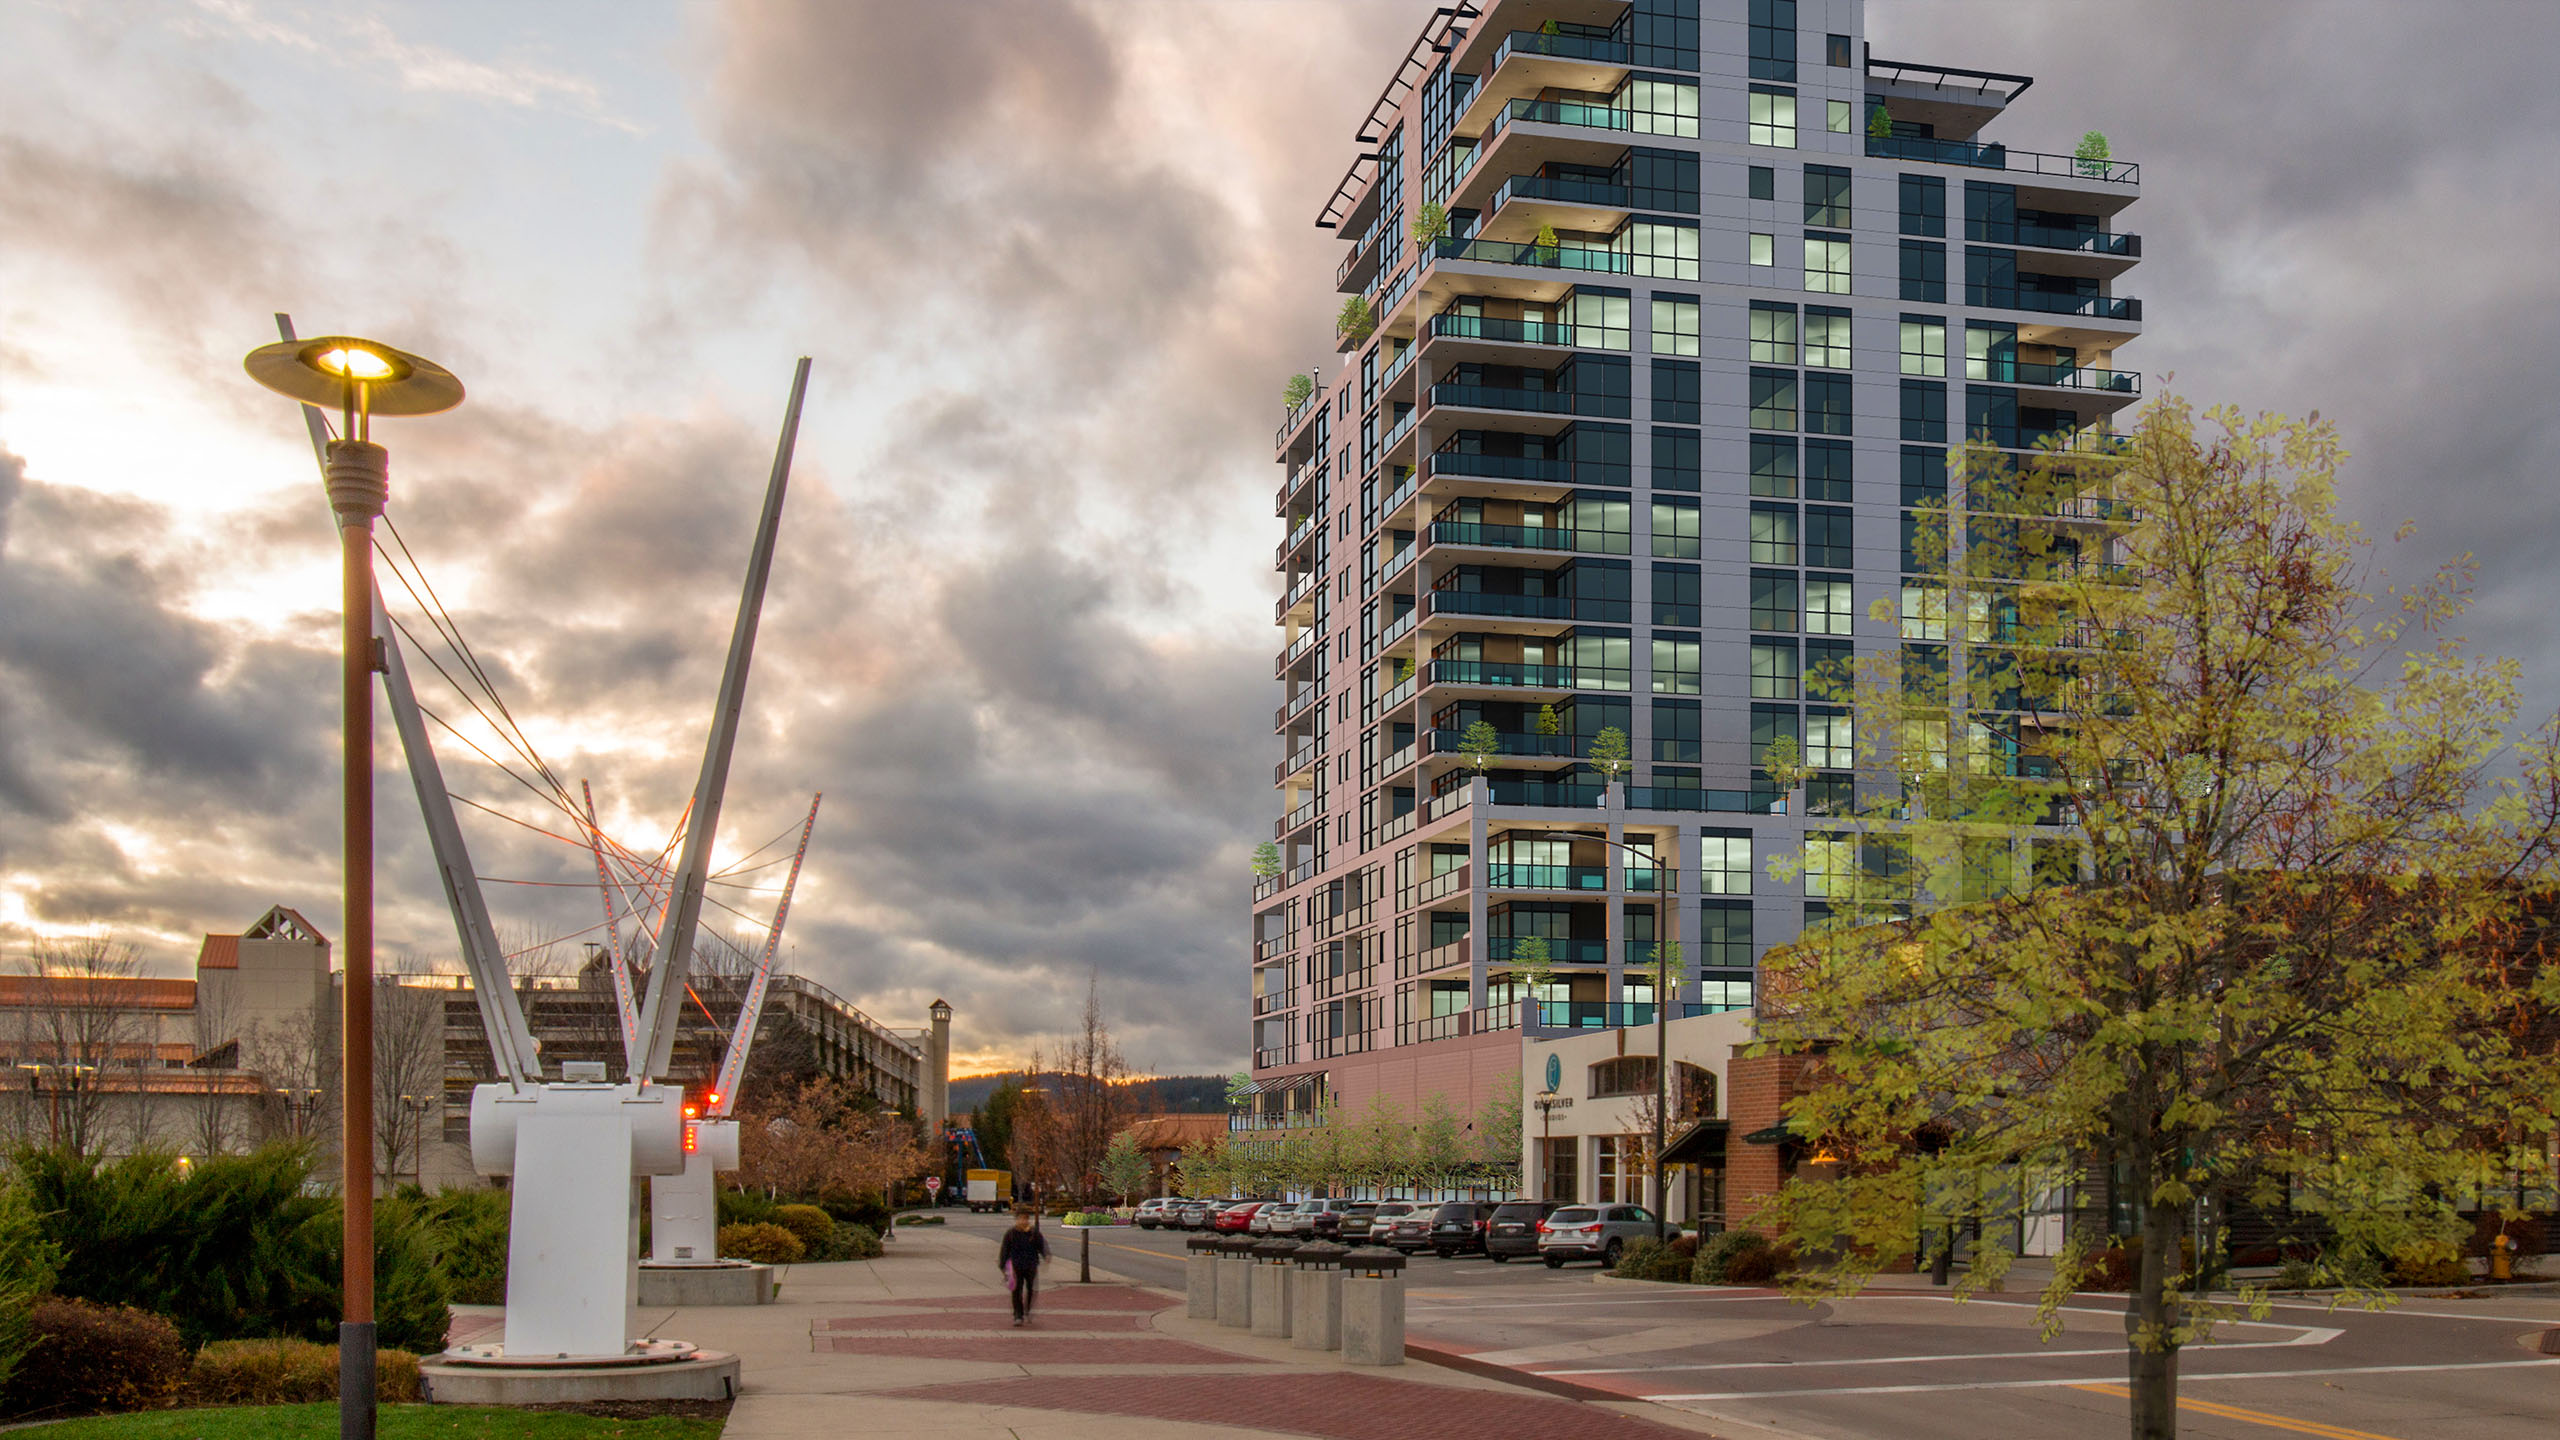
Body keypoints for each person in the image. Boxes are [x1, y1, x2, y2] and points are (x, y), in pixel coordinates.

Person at [997, 1206, 1050, 1326]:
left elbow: (1041, 1245)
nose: (1023, 1221)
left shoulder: (1033, 1233)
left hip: (1031, 1265)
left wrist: (1045, 1255)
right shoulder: (1011, 1233)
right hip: (1016, 1266)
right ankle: (1018, 1315)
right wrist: (1003, 1265)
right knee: (1016, 1290)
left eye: (1025, 1219)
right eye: (1021, 1219)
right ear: (1016, 1220)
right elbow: (1004, 1250)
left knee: (1031, 1289)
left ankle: (1028, 1310)